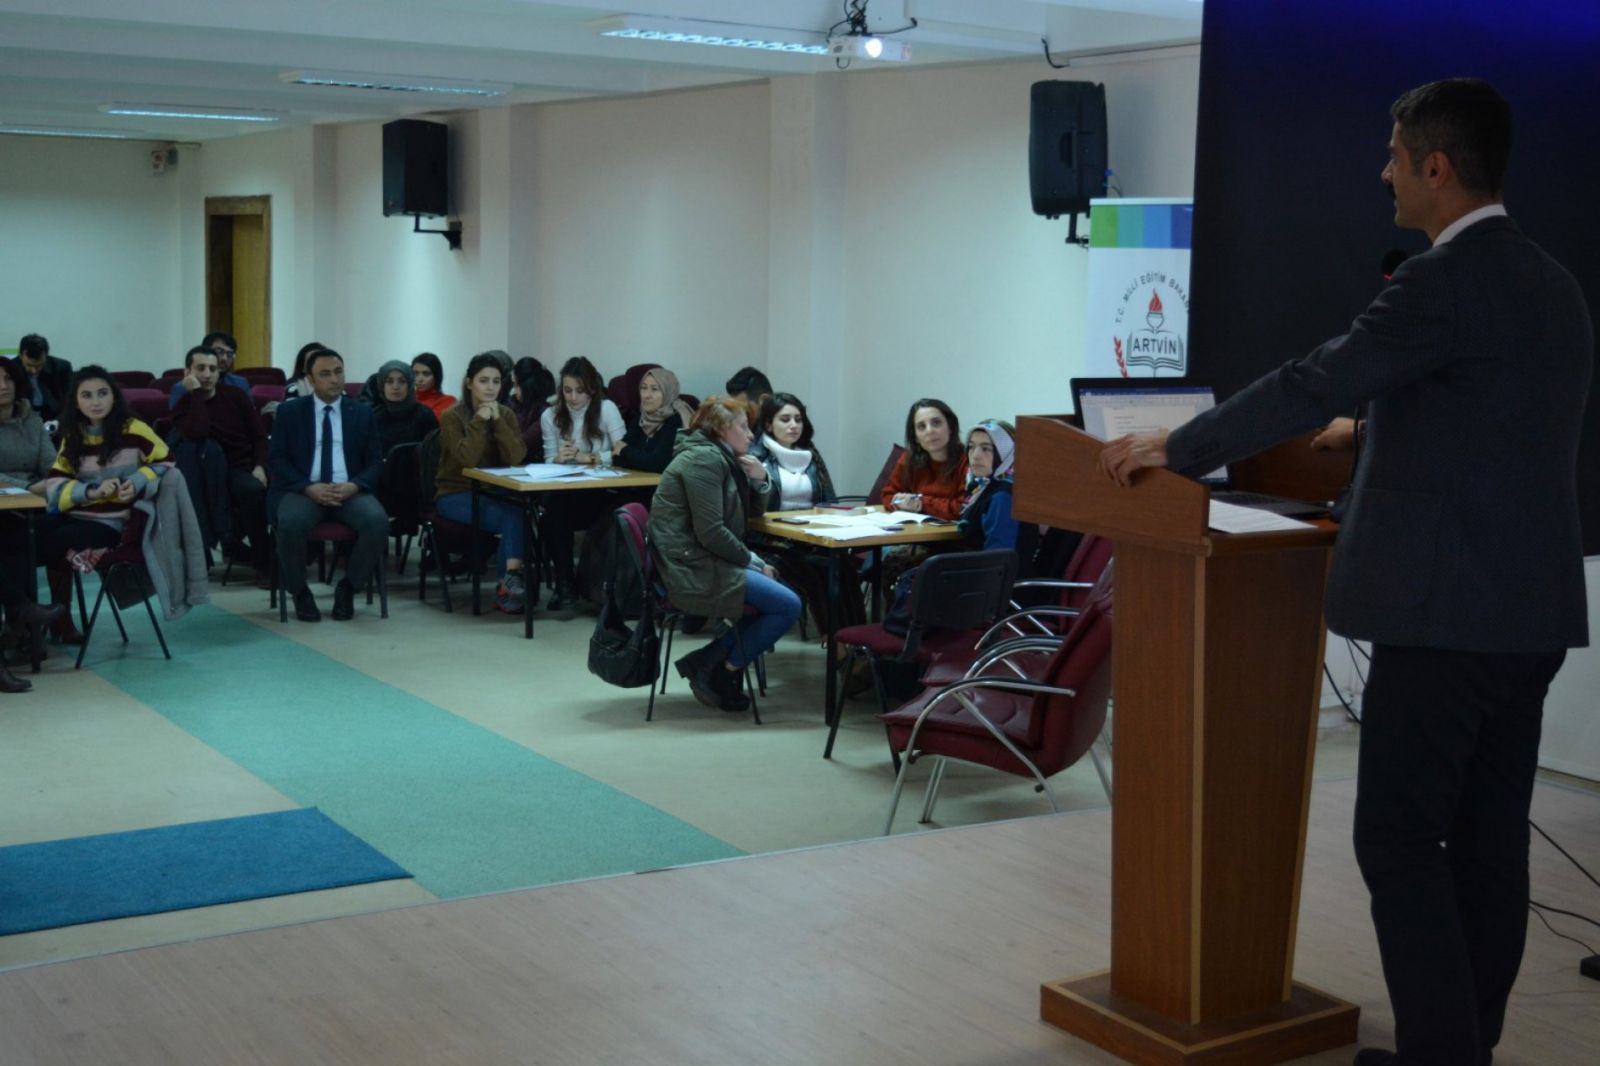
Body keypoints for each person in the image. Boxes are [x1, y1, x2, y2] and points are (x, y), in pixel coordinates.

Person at [1099, 79, 1592, 1066]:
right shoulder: (1551, 283)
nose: (1383, 172)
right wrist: (1368, 431)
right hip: (1528, 615)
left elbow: (1310, 377)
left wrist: (1180, 445)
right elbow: (1493, 424)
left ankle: (1439, 1055)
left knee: (1398, 842)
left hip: (1443, 622)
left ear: (1436, 168)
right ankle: (1462, 1049)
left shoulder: (1441, 281)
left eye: (1394, 156)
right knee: (1489, 845)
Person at [649, 396, 800, 712]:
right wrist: (754, 562)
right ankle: (722, 669)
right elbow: (711, 532)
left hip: (705, 558)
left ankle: (709, 663)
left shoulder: (723, 457)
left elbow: (746, 516)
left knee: (781, 596)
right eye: (743, 427)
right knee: (787, 604)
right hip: (690, 566)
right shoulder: (704, 461)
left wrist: (760, 480)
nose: (750, 435)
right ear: (720, 429)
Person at [40, 366, 171, 628]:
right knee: (22, 537)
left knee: (40, 547)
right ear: (76, 402)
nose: (96, 402)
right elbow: (55, 482)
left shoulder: (134, 429)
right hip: (75, 514)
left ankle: (48, 620)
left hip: (112, 524)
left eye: (102, 393)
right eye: (86, 395)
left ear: (114, 396)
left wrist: (135, 482)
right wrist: (91, 491)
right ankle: (37, 619)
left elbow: (166, 462)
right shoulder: (73, 434)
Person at [268, 348, 388, 623]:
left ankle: (348, 587)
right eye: (325, 374)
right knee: (290, 523)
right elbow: (278, 459)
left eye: (338, 372)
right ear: (310, 379)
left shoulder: (362, 413)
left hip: (349, 490)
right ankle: (300, 592)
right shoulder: (290, 412)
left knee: (377, 522)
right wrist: (308, 487)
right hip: (303, 489)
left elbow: (375, 462)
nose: (334, 379)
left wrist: (354, 486)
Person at [433, 352, 529, 612]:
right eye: (483, 381)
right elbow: (467, 459)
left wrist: (497, 421)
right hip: (454, 492)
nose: (490, 388)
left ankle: (508, 583)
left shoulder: (505, 413)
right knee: (510, 517)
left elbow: (516, 457)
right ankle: (510, 584)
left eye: (496, 382)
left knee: (520, 511)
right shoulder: (452, 416)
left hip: (492, 490)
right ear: (469, 383)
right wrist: (479, 420)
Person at [169, 344, 270, 577]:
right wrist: (195, 394)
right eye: (200, 368)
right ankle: (247, 553)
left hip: (244, 466)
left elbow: (259, 436)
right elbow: (199, 431)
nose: (207, 374)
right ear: (187, 373)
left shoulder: (235, 396)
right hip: (209, 472)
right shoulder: (183, 406)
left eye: (212, 369)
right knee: (241, 492)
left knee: (255, 488)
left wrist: (260, 466)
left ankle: (262, 557)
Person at [538, 356, 626, 609]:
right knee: (554, 509)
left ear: (592, 389)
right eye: (567, 391)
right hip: (567, 491)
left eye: (580, 391)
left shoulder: (606, 409)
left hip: (603, 490)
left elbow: (623, 451)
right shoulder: (550, 415)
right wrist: (558, 458)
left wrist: (593, 458)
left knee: (558, 510)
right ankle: (565, 583)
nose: (573, 397)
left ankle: (576, 584)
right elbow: (548, 460)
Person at [0, 356, 69, 661]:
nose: (3, 386)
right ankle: (23, 619)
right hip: (10, 501)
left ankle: (28, 624)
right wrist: (27, 487)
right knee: (13, 532)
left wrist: (46, 484)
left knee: (53, 530)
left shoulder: (32, 419)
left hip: (37, 501)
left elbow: (51, 464)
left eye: (8, 379)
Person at [879, 398, 967, 519]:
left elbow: (963, 508)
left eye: (936, 423)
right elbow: (887, 496)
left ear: (951, 427)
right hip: (916, 529)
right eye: (921, 426)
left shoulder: (969, 460)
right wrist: (899, 502)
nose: (929, 431)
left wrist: (921, 502)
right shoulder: (908, 459)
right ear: (915, 437)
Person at [614, 366, 695, 474]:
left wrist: (625, 450)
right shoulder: (642, 416)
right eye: (643, 388)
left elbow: (659, 464)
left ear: (668, 392)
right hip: (641, 480)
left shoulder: (676, 419)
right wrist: (638, 457)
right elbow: (616, 457)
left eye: (654, 389)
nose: (646, 395)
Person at [366, 360, 438, 456]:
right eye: (389, 381)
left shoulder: (425, 415)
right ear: (382, 386)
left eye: (402, 381)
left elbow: (435, 454)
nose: (395, 387)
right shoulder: (374, 417)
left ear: (410, 385)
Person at [168, 331, 249, 406]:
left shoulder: (240, 384)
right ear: (205, 351)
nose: (224, 358)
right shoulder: (182, 388)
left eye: (229, 354)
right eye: (219, 352)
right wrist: (196, 392)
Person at [15, 334, 72, 423]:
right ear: (20, 355)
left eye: (39, 365)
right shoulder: (10, 370)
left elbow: (70, 401)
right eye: (29, 365)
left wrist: (58, 421)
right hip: (21, 420)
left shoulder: (62, 368)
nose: (34, 370)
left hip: (54, 418)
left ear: (46, 356)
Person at [511, 356, 555, 459]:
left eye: (516, 385)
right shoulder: (514, 404)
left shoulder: (544, 412)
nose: (513, 391)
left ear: (527, 386)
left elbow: (520, 446)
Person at [411, 352, 456, 418]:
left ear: (436, 376)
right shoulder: (405, 402)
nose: (420, 379)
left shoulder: (448, 402)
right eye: (415, 374)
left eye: (426, 374)